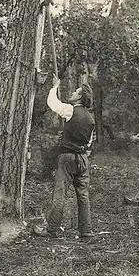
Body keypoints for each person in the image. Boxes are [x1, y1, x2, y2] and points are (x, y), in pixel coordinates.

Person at [33, 74, 95, 239]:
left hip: (67, 158)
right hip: (83, 159)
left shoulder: (70, 110)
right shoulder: (90, 119)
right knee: (83, 195)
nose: (73, 93)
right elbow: (88, 143)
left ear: (80, 96)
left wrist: (54, 86)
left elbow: (52, 103)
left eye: (76, 91)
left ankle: (51, 229)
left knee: (60, 193)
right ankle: (86, 230)